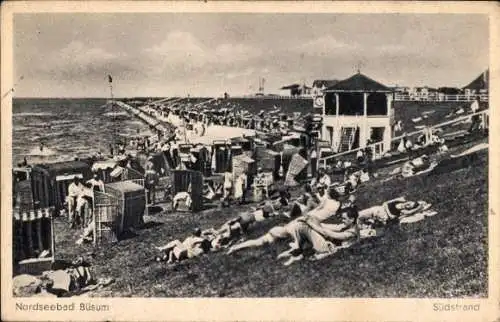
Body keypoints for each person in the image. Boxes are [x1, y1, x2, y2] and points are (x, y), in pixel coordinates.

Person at [357, 197, 432, 228]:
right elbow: (385, 203)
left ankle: (362, 227)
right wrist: (388, 211)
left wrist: (419, 208)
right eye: (409, 203)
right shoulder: (401, 199)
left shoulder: (404, 211)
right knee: (359, 215)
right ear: (409, 200)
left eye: (409, 207)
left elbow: (410, 213)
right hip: (379, 210)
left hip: (383, 217)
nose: (407, 205)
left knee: (367, 227)